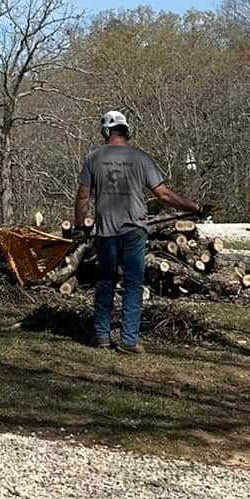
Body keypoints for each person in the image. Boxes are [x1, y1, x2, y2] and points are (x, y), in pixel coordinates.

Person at [74, 111, 200, 353]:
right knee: (133, 284)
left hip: (106, 232)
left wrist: (79, 226)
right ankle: (128, 340)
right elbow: (163, 194)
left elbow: (82, 195)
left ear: (105, 131)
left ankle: (101, 335)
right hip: (135, 231)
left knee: (105, 282)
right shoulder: (141, 158)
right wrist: (193, 207)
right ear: (125, 131)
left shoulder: (93, 158)